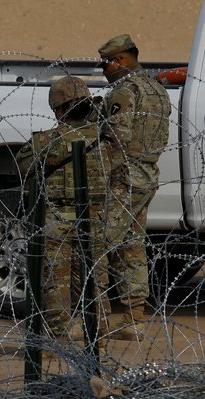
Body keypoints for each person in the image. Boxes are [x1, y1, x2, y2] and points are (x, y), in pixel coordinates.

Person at [16, 76, 112, 340]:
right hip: (96, 218)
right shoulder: (106, 139)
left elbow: (23, 166)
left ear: (58, 109)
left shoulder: (46, 141)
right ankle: (98, 337)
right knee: (94, 281)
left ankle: (59, 336)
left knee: (55, 285)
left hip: (57, 218)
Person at [98, 35, 171, 340]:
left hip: (125, 177)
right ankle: (133, 318)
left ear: (121, 60)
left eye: (107, 63)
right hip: (148, 173)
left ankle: (96, 319)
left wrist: (100, 175)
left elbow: (116, 137)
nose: (105, 70)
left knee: (98, 243)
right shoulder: (156, 88)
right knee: (131, 246)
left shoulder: (126, 91)